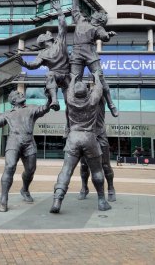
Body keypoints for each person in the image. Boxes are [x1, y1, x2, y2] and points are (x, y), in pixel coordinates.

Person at [0, 89, 51, 212]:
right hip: (14, 141)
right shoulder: (7, 113)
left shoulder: (31, 108)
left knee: (30, 170)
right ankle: (3, 199)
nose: (22, 94)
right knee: (10, 166)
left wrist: (50, 99)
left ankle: (24, 189)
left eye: (21, 93)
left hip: (29, 142)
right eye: (18, 94)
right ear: (13, 100)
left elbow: (44, 108)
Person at [50, 71, 111, 213]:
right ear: (86, 92)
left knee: (66, 170)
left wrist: (73, 79)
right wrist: (96, 77)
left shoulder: (70, 100)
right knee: (97, 170)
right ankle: (102, 200)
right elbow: (99, 88)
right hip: (89, 137)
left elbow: (70, 89)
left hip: (73, 138)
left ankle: (57, 200)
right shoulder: (92, 100)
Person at [69, 0, 118, 118]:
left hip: (90, 54)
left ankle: (111, 104)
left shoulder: (98, 27)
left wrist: (108, 35)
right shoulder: (80, 20)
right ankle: (71, 115)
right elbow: (75, 10)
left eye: (99, 14)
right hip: (76, 53)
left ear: (101, 19)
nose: (96, 13)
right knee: (73, 81)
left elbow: (103, 36)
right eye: (97, 13)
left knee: (100, 79)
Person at [15, 0, 69, 112]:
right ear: (44, 40)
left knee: (70, 103)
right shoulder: (42, 53)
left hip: (69, 75)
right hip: (56, 76)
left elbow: (62, 25)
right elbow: (34, 65)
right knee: (50, 74)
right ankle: (54, 100)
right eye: (46, 35)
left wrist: (59, 11)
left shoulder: (59, 42)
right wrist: (24, 63)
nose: (49, 35)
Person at [78, 96, 116, 202]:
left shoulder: (100, 99)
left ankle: (111, 188)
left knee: (105, 165)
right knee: (84, 165)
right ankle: (84, 187)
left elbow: (102, 84)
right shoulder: (81, 102)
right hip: (86, 136)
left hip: (100, 134)